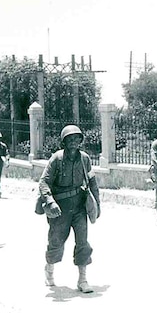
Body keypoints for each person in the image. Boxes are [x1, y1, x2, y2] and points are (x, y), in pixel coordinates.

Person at [38, 125, 101, 293]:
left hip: (79, 206)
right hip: (60, 208)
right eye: (69, 139)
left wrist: (97, 204)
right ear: (64, 142)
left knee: (83, 242)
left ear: (80, 141)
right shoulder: (57, 159)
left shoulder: (85, 159)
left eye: (76, 139)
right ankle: (50, 269)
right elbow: (44, 182)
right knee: (56, 241)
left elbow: (92, 181)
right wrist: (50, 202)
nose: (73, 142)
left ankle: (82, 279)